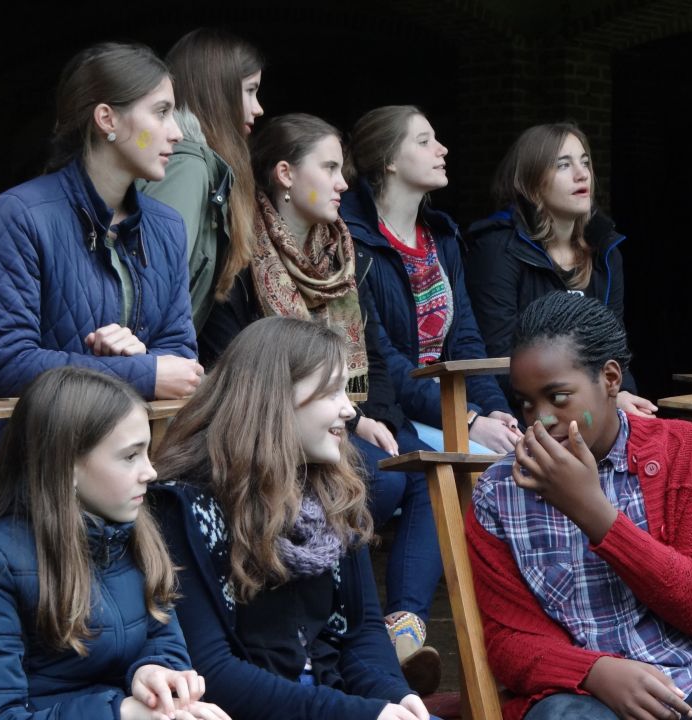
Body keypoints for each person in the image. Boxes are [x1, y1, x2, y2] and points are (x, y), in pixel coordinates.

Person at [467, 292, 692, 720]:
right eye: (526, 402)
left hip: (690, 673)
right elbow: (509, 642)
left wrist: (592, 511)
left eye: (558, 397)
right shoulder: (499, 491)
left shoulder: (688, 450)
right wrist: (595, 672)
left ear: (611, 379)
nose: (539, 420)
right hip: (573, 690)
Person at [239, 113, 443, 690]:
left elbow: (373, 353)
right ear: (285, 174)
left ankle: (404, 630)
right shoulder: (245, 256)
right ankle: (359, 641)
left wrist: (371, 415)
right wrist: (350, 420)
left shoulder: (342, 253)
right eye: (329, 168)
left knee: (431, 468)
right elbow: (248, 367)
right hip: (283, 433)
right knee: (371, 477)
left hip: (348, 418)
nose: (343, 183)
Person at [150, 317, 433, 720]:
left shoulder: (335, 495)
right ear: (274, 398)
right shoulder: (185, 506)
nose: (349, 409)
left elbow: (362, 632)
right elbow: (212, 670)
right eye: (331, 391)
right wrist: (359, 713)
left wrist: (394, 694)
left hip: (335, 701)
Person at [0, 42, 202, 483]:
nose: (176, 132)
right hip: (32, 473)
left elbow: (179, 358)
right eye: (161, 112)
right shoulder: (21, 214)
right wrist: (141, 371)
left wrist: (139, 355)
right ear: (107, 120)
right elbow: (7, 364)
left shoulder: (167, 226)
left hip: (132, 471)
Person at [0, 367, 229, 720]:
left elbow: (161, 633)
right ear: (67, 466)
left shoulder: (135, 533)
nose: (151, 472)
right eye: (130, 456)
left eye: (147, 452)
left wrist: (154, 671)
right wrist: (121, 713)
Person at [341, 105, 521, 453]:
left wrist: (494, 410)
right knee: (500, 465)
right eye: (424, 141)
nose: (442, 149)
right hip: (392, 413)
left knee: (520, 450)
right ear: (390, 161)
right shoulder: (352, 239)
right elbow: (383, 360)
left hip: (449, 408)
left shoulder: (442, 237)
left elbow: (466, 343)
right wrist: (468, 419)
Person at [464, 122, 656, 417]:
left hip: (595, 407)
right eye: (563, 165)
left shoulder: (605, 252)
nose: (582, 174)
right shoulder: (498, 248)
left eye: (585, 162)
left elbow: (613, 347)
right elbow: (500, 360)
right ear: (531, 182)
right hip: (527, 411)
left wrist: (624, 394)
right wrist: (597, 397)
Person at [138, 27, 264, 343]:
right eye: (250, 91)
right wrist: (164, 362)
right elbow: (153, 289)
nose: (258, 108)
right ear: (217, 91)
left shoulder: (203, 167)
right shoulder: (187, 166)